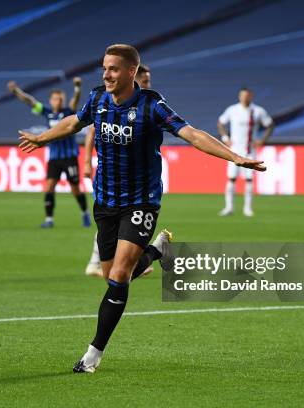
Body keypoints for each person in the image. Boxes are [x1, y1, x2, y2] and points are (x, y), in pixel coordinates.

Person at [19, 44, 265, 374]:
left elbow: (191, 133)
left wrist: (234, 156)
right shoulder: (97, 99)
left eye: (114, 69)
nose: (106, 74)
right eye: (104, 68)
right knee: (113, 277)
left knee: (119, 276)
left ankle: (92, 355)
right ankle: (155, 252)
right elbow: (73, 123)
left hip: (141, 201)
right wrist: (42, 138)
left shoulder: (151, 106)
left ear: (131, 72)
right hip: (106, 202)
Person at [83, 64, 153, 278]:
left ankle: (113, 263)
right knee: (110, 221)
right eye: (146, 80)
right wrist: (87, 161)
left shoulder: (148, 104)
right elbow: (91, 131)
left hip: (136, 181)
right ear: (135, 78)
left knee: (116, 225)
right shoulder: (110, 101)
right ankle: (98, 262)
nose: (149, 85)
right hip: (113, 179)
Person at [8, 78, 90, 228]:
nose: (57, 102)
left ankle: (85, 213)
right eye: (54, 99)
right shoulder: (46, 112)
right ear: (50, 100)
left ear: (62, 100)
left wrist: (77, 88)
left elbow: (75, 101)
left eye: (59, 99)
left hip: (69, 156)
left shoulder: (68, 112)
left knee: (75, 188)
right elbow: (30, 101)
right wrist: (16, 91)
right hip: (54, 157)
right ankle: (49, 219)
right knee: (50, 186)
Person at [217, 87, 274, 217]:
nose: (244, 98)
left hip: (249, 150)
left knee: (249, 179)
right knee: (231, 179)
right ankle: (229, 207)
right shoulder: (232, 110)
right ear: (239, 96)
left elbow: (270, 125)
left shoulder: (257, 111)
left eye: (247, 96)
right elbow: (220, 123)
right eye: (242, 96)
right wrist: (225, 138)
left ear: (251, 97)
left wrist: (262, 140)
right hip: (234, 151)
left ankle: (247, 208)